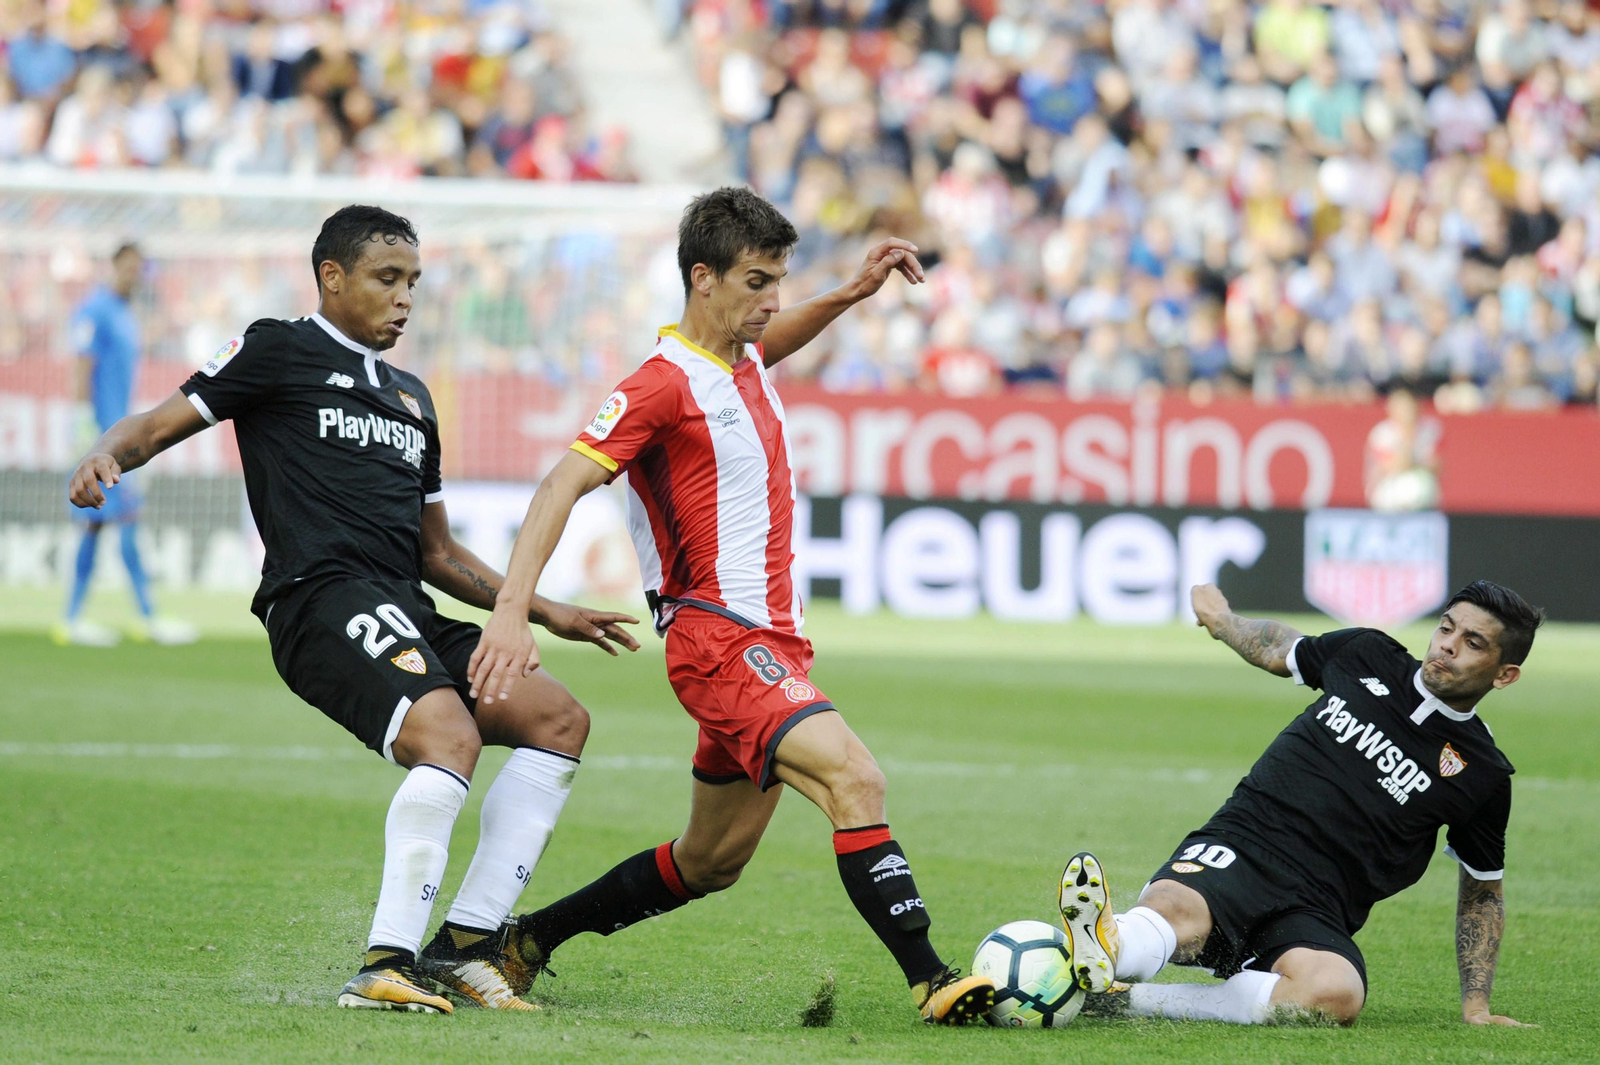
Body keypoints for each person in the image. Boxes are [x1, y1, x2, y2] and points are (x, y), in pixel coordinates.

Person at [67, 205, 639, 1015]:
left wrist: (544, 609)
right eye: (387, 278)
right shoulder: (278, 350)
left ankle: (465, 946)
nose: (405, 298)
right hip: (319, 600)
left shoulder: (413, 397)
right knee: (450, 734)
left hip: (403, 603)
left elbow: (435, 554)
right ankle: (382, 963)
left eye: (413, 282)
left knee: (558, 719)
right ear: (331, 277)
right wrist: (105, 453)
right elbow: (159, 423)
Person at [467, 187, 996, 1025]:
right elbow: (562, 482)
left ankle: (525, 942)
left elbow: (773, 337)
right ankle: (934, 979)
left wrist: (851, 294)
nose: (773, 300)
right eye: (757, 282)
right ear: (701, 278)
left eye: (780, 279)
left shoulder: (740, 357)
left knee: (711, 860)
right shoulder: (658, 385)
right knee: (857, 779)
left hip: (771, 644)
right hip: (719, 640)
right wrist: (511, 608)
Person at [1060, 580, 1540, 1028]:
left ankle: (1122, 999)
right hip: (1242, 848)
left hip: (1316, 907)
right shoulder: (1367, 654)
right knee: (1174, 912)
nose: (1448, 645)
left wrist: (1476, 1005)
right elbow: (1278, 648)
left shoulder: (1483, 774)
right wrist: (1222, 619)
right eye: (1447, 627)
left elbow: (1482, 890)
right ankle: (1080, 955)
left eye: (1474, 643)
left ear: (1505, 674)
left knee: (1336, 994)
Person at [58, 243, 196, 648]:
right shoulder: (95, 309)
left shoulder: (124, 314)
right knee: (121, 520)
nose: (136, 275)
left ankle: (73, 618)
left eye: (142, 269)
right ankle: (146, 617)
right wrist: (83, 421)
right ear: (116, 265)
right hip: (100, 439)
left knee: (98, 524)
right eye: (131, 267)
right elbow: (82, 365)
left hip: (115, 435)